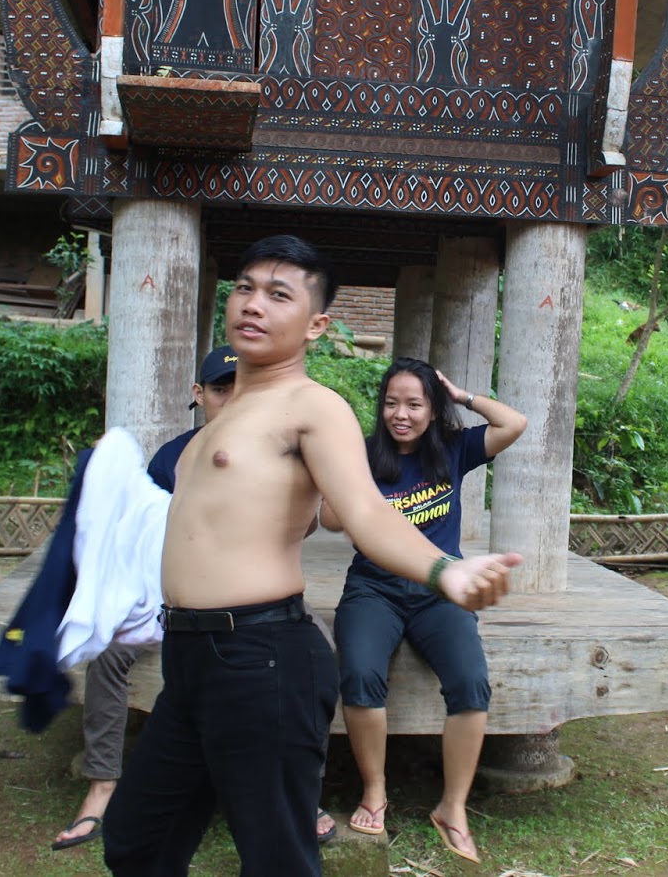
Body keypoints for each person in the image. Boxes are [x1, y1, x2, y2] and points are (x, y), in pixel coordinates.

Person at [101, 235, 521, 877]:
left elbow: (365, 511)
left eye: (279, 295)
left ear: (316, 325)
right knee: (137, 841)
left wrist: (445, 569)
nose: (253, 304)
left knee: (277, 860)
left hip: (259, 655)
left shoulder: (313, 407)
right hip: (188, 656)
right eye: (245, 288)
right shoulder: (216, 421)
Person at [323, 357, 526, 864]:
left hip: (440, 592)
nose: (401, 414)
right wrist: (346, 481)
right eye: (392, 403)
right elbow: (328, 519)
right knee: (360, 674)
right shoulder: (363, 455)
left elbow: (513, 424)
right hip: (375, 588)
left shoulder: (453, 449)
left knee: (471, 682)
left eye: (415, 404)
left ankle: (452, 807)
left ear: (433, 410)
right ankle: (375, 791)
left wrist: (461, 396)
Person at [52, 346, 244, 850]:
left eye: (242, 388)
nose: (231, 399)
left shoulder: (272, 452)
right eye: (220, 389)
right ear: (199, 394)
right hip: (170, 597)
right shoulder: (170, 459)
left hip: (247, 598)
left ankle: (295, 791)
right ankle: (102, 784)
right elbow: (137, 539)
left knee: (308, 649)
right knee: (108, 653)